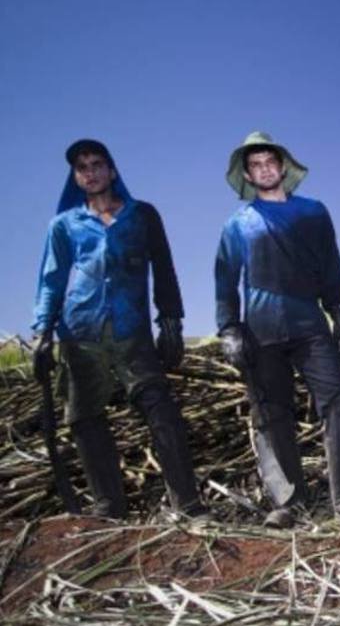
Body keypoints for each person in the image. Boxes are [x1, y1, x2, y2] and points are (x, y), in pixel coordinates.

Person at [32, 139, 208, 521]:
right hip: (80, 334)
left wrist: (171, 320)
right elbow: (52, 279)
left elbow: (163, 267)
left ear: (112, 171)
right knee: (85, 417)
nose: (91, 172)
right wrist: (42, 331)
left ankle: (188, 504)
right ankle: (110, 508)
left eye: (97, 164)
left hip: (133, 331)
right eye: (82, 168)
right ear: (76, 178)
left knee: (161, 411)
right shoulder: (64, 225)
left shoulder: (142, 215)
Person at [215, 131, 340, 529]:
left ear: (282, 167)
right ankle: (289, 500)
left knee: (337, 398)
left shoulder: (313, 212)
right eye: (256, 165)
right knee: (271, 412)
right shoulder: (239, 223)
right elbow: (224, 279)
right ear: (248, 175)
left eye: (270, 161)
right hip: (261, 329)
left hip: (309, 323)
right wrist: (230, 328)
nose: (264, 169)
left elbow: (331, 265)